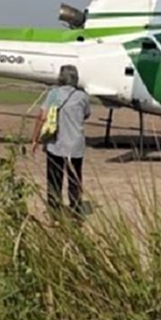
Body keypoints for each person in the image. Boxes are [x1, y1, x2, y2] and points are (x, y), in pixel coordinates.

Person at [31, 65, 91, 218]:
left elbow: (42, 116)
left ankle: (54, 211)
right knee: (74, 180)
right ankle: (76, 210)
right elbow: (86, 114)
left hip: (56, 143)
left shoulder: (54, 94)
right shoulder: (82, 96)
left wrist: (35, 139)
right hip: (76, 145)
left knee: (54, 180)